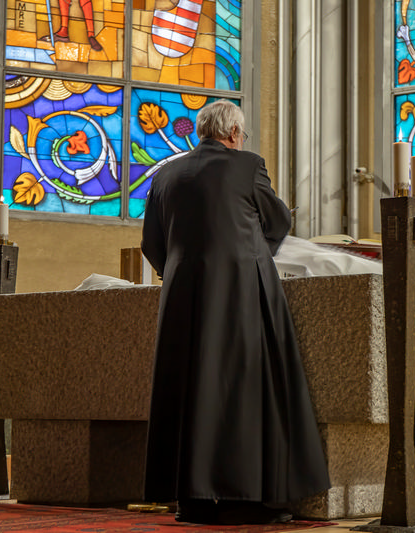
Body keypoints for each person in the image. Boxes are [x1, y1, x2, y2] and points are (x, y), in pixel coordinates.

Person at [141, 100, 330, 525]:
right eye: (242, 134)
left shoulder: (166, 174)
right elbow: (277, 221)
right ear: (233, 134)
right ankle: (248, 499)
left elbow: (152, 243)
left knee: (191, 391)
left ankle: (190, 500)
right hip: (240, 292)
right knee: (242, 389)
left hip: (181, 299)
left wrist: (182, 272)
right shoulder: (248, 165)